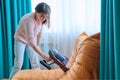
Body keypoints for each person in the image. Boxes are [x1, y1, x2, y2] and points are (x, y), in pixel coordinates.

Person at [9, 2, 51, 80]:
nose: (43, 19)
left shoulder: (41, 21)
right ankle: (11, 79)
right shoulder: (28, 20)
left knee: (35, 63)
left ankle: (38, 78)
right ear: (36, 11)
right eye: (41, 16)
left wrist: (37, 46)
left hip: (31, 39)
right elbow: (31, 41)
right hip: (20, 40)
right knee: (18, 64)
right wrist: (44, 56)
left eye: (45, 17)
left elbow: (39, 34)